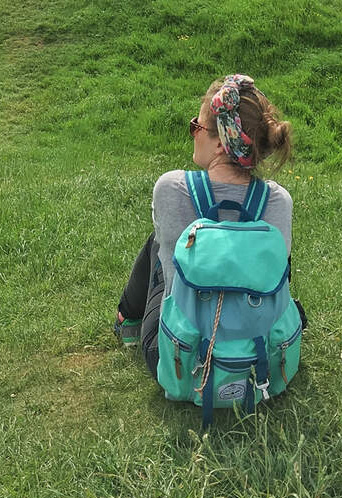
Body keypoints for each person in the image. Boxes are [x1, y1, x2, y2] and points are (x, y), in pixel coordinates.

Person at [114, 74, 294, 379]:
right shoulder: (278, 201)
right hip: (259, 354)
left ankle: (126, 321)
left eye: (196, 127)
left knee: (158, 244)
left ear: (222, 144)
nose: (193, 134)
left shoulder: (171, 188)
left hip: (177, 355)